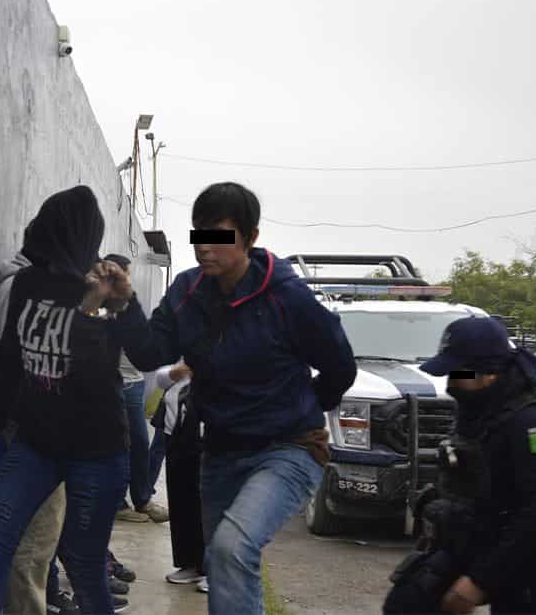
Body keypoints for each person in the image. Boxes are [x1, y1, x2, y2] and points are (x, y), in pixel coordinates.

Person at [88, 182, 358, 614]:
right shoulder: (186, 292)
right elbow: (149, 353)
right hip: (221, 451)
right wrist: (124, 303)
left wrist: (297, 411)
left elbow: (341, 367)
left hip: (288, 448)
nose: (205, 248)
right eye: (200, 235)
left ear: (250, 238)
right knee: (222, 561)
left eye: (219, 237)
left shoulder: (287, 297)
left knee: (233, 548)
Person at [0, 186, 134, 615]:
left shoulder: (98, 290)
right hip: (35, 444)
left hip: (95, 450)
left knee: (83, 563)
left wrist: (100, 306)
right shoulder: (24, 284)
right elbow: (8, 361)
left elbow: (101, 370)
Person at [383, 317, 536, 615]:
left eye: (460, 372)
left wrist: (479, 582)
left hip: (528, 556)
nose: (452, 382)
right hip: (477, 540)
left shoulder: (529, 423)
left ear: (490, 372)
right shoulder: (479, 412)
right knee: (408, 602)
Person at [0, 222, 68, 615]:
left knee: (37, 550)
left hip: (40, 438)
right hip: (34, 440)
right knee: (32, 551)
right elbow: (24, 369)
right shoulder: (22, 291)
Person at [101, 254, 170, 525]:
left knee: (140, 443)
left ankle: (142, 500)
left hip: (134, 384)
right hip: (112, 386)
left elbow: (147, 347)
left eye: (127, 275)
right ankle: (119, 504)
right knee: (116, 447)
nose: (126, 280)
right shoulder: (98, 308)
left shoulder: (129, 308)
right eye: (121, 275)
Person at [152, 361, 207, 589]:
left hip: (211, 435)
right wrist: (177, 372)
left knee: (208, 504)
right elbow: (161, 378)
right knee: (181, 499)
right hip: (176, 430)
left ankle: (213, 569)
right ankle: (189, 563)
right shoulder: (186, 339)